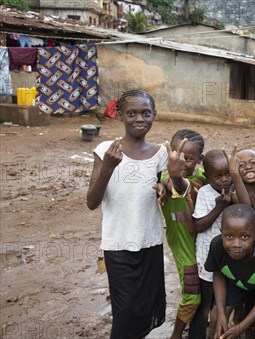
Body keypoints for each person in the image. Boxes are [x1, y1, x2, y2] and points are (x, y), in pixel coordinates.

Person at [86, 89, 168, 338]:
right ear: (120, 115)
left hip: (149, 242)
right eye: (131, 113)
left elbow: (165, 188)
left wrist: (164, 187)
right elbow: (92, 201)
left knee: (144, 310)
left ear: (154, 115)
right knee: (125, 313)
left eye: (146, 113)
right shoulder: (106, 151)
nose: (139, 119)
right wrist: (109, 168)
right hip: (118, 244)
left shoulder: (160, 153)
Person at [206, 204, 255, 338]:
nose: (236, 244)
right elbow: (218, 273)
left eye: (244, 237)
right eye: (229, 236)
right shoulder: (217, 246)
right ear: (221, 233)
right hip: (236, 281)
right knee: (216, 318)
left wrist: (241, 327)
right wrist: (221, 313)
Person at [159, 129, 207, 339]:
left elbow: (191, 186)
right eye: (177, 157)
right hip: (182, 243)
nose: (181, 163)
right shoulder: (168, 178)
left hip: (202, 242)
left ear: (200, 159)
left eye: (188, 158)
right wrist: (167, 180)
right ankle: (176, 334)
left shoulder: (202, 179)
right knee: (192, 295)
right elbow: (176, 184)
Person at [189, 149, 234, 339]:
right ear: (208, 176)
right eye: (218, 176)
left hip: (229, 257)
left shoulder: (235, 189)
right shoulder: (205, 193)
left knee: (222, 302)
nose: (224, 180)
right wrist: (220, 207)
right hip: (207, 257)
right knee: (205, 303)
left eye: (227, 174)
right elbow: (199, 225)